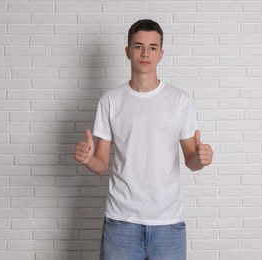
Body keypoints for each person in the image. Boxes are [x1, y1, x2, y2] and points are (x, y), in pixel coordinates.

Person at [75, 19, 213, 260]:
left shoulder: (179, 101)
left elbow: (192, 161)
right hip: (121, 222)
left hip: (168, 223)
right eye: (138, 46)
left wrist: (201, 158)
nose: (145, 53)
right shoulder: (111, 101)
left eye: (152, 47)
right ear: (128, 52)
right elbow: (100, 164)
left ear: (161, 54)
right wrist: (88, 159)